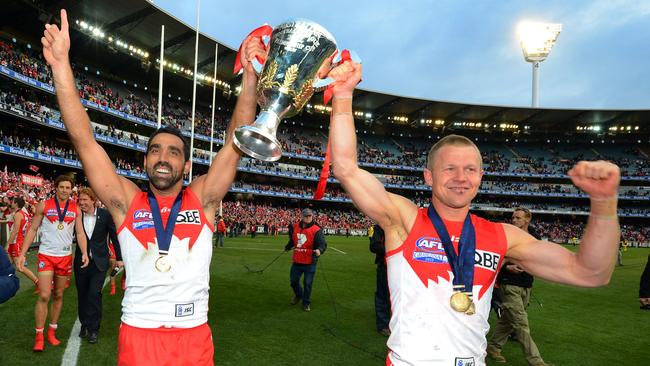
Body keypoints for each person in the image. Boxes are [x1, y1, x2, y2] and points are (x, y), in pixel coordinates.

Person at [327, 59, 621, 365]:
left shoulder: (503, 237)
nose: (460, 177)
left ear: (480, 177)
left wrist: (604, 204)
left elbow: (591, 273)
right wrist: (344, 95)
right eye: (449, 168)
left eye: (470, 169)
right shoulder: (405, 219)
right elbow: (346, 168)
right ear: (429, 176)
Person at [41, 9, 261, 364]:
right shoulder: (126, 202)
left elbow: (234, 145)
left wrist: (249, 77)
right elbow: (84, 142)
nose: (163, 157)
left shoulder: (203, 198)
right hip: (139, 336)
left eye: (174, 152)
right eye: (155, 150)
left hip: (193, 336)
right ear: (145, 162)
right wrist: (60, 65)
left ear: (186, 165)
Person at [17, 174, 89, 352]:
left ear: (71, 189)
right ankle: (39, 335)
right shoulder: (44, 205)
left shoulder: (76, 209)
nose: (64, 190)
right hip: (46, 256)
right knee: (44, 295)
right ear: (55, 188)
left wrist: (85, 252)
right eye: (61, 187)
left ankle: (52, 331)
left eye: (67, 188)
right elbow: (33, 228)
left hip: (64, 257)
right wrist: (22, 253)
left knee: (58, 295)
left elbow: (79, 233)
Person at [487, 208, 551, 366]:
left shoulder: (535, 237)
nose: (514, 220)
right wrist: (506, 268)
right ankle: (536, 361)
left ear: (527, 220)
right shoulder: (506, 235)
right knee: (521, 323)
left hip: (526, 285)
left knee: (508, 320)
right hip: (509, 284)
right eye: (513, 217)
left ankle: (493, 347)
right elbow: (494, 257)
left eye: (518, 217)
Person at [74, 187, 119, 344]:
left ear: (93, 200)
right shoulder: (76, 216)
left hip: (100, 262)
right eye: (80, 200)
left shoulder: (105, 215)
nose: (82, 203)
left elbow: (114, 235)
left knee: (94, 294)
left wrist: (119, 257)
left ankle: (94, 329)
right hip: (81, 262)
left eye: (85, 200)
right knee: (82, 294)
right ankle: (84, 324)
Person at [284, 208, 327, 312]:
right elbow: (294, 240)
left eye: (310, 216)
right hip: (297, 260)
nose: (308, 218)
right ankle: (299, 295)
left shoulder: (317, 229)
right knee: (293, 281)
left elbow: (322, 244)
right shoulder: (295, 227)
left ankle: (306, 303)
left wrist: (319, 250)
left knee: (307, 283)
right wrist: (288, 247)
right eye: (306, 216)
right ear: (302, 216)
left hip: (310, 261)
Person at [4, 195, 39, 289]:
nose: (11, 203)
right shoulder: (24, 213)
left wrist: (7, 244)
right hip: (19, 241)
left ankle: (37, 282)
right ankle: (6, 282)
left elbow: (15, 231)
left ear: (16, 204)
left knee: (20, 267)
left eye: (13, 201)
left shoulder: (18, 214)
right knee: (7, 262)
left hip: (16, 242)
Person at [369, 223, 390, 337]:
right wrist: (394, 248)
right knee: (383, 295)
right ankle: (383, 325)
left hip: (401, 265)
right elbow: (374, 246)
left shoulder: (400, 225)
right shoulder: (377, 227)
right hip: (385, 265)